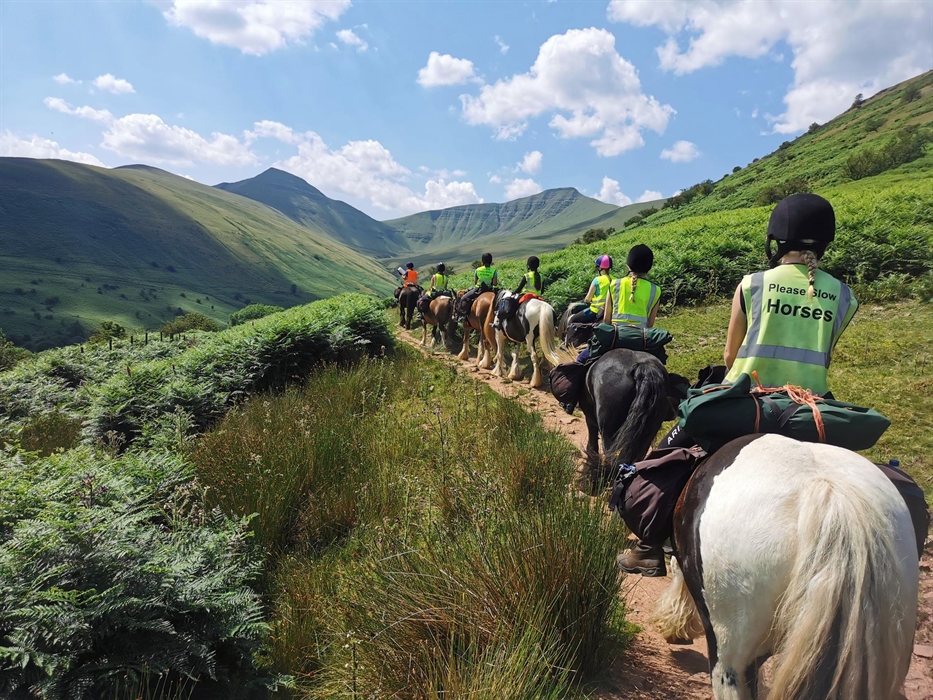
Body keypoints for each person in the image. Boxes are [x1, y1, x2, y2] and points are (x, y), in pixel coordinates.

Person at [617, 193, 859, 578]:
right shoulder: (846, 296)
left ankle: (649, 548)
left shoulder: (754, 285)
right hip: (812, 408)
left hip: (751, 401)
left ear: (777, 239)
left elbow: (731, 356)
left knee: (661, 459)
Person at [603, 245, 660, 328]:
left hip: (616, 336)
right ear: (650, 267)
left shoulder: (614, 284)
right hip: (640, 337)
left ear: (628, 265)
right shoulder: (655, 290)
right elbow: (650, 324)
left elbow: (606, 320)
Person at [568, 255, 612, 326]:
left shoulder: (597, 280)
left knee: (572, 320)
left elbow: (587, 299)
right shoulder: (615, 280)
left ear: (600, 268)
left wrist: (587, 301)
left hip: (595, 311)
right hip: (611, 312)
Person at [454, 253, 497, 322]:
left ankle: (462, 316)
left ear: (482, 261)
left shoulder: (478, 270)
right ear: (491, 261)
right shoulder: (494, 270)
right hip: (490, 289)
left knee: (464, 298)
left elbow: (475, 282)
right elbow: (495, 283)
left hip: (478, 290)